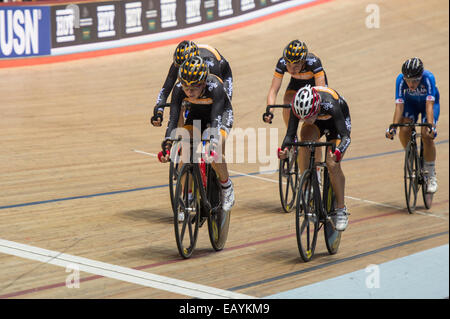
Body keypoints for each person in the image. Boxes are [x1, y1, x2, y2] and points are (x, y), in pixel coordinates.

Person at [158, 56, 235, 212]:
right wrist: (167, 144)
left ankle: (227, 187)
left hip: (220, 116)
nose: (189, 91)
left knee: (214, 153)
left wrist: (212, 143)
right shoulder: (179, 89)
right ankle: (190, 195)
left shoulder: (215, 87)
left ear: (204, 82)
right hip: (197, 115)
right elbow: (173, 120)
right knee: (185, 149)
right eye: (186, 87)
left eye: (194, 87)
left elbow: (216, 119)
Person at [279, 85, 351, 231]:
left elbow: (345, 137)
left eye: (309, 116)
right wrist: (285, 150)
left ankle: (341, 208)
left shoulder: (331, 104)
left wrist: (337, 152)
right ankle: (307, 186)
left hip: (337, 126)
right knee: (304, 140)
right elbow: (289, 135)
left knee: (332, 164)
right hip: (318, 122)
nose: (307, 119)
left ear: (317, 106)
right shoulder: (296, 107)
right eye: (303, 117)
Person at [385, 57, 440, 193]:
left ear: (420, 77)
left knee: (427, 135)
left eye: (414, 80)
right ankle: (410, 155)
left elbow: (429, 105)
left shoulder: (428, 78)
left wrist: (431, 126)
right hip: (411, 105)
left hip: (428, 105)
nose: (410, 84)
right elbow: (399, 106)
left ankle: (431, 174)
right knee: (404, 129)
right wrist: (393, 127)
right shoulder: (400, 80)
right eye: (408, 80)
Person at [151, 40, 233, 127]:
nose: (184, 70)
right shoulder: (179, 64)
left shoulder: (211, 64)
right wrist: (159, 111)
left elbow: (216, 92)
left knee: (219, 109)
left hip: (223, 75)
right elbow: (165, 89)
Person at [263, 39, 328, 127]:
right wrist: (269, 112)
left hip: (314, 86)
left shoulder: (314, 63)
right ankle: (291, 135)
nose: (291, 70)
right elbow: (273, 90)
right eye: (288, 65)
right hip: (296, 83)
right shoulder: (282, 63)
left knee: (312, 118)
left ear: (303, 62)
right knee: (287, 103)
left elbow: (321, 92)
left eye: (296, 66)